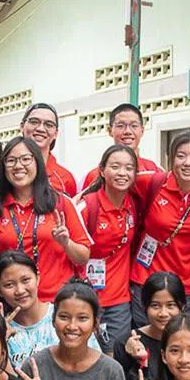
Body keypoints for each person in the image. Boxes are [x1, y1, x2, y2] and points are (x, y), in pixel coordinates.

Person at [0, 136, 91, 307]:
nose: (18, 166)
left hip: (59, 305)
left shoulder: (60, 203)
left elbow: (83, 257)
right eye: (11, 160)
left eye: (25, 159)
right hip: (15, 306)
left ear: (37, 162)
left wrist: (66, 243)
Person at [129, 131, 190, 326]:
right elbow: (113, 183)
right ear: (171, 158)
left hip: (186, 286)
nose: (188, 162)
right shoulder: (152, 183)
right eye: (181, 156)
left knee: (180, 344)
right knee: (146, 343)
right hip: (146, 282)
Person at [0, 250, 101, 372]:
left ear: (37, 278)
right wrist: (1, 341)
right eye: (9, 285)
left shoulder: (64, 317)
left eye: (26, 280)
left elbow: (96, 367)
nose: (20, 290)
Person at [77, 143, 140, 351]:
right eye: (115, 167)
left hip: (118, 301)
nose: (122, 173)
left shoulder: (134, 204)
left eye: (129, 168)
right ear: (102, 170)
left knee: (114, 359)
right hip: (84, 298)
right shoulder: (87, 206)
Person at [80, 103, 162, 189]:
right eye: (120, 126)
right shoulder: (93, 176)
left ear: (142, 130)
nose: (128, 131)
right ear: (110, 131)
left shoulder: (154, 170)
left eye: (134, 126)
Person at [20, 102, 76, 197]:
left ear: (56, 133)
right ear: (22, 126)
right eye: (34, 122)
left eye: (49, 125)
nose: (41, 129)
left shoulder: (65, 179)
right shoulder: (6, 172)